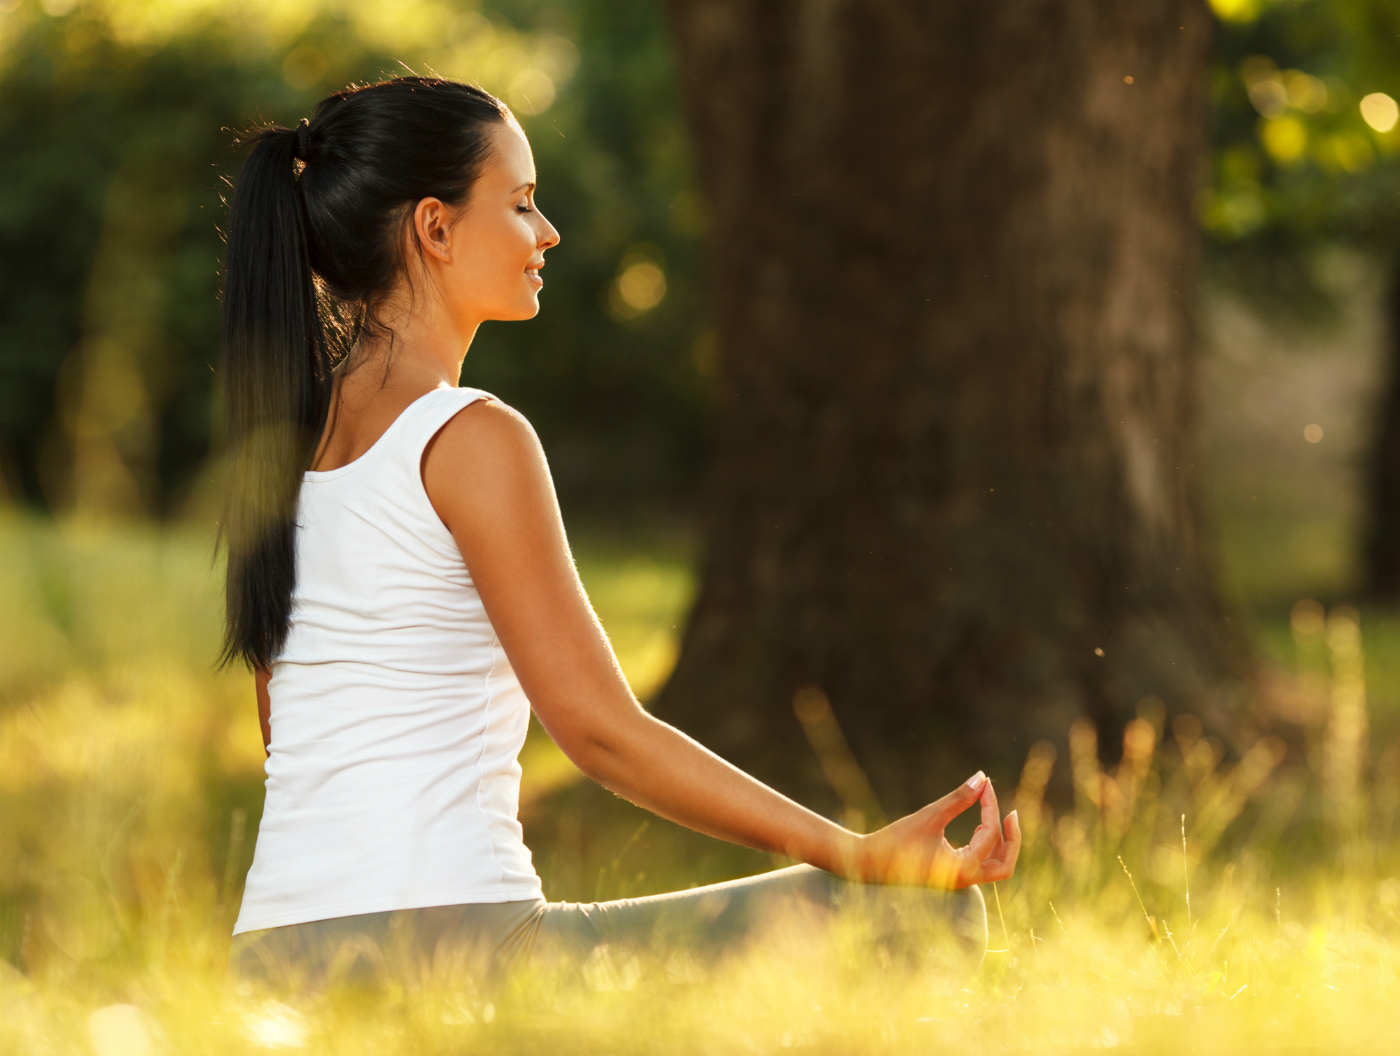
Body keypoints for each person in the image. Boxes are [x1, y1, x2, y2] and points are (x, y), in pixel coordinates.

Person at [221, 76, 1020, 990]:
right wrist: (854, 852)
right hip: (457, 955)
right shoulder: (469, 438)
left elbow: (290, 742)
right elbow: (600, 733)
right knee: (922, 908)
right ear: (435, 229)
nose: (548, 231)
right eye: (521, 202)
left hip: (271, 964)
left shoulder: (280, 453)